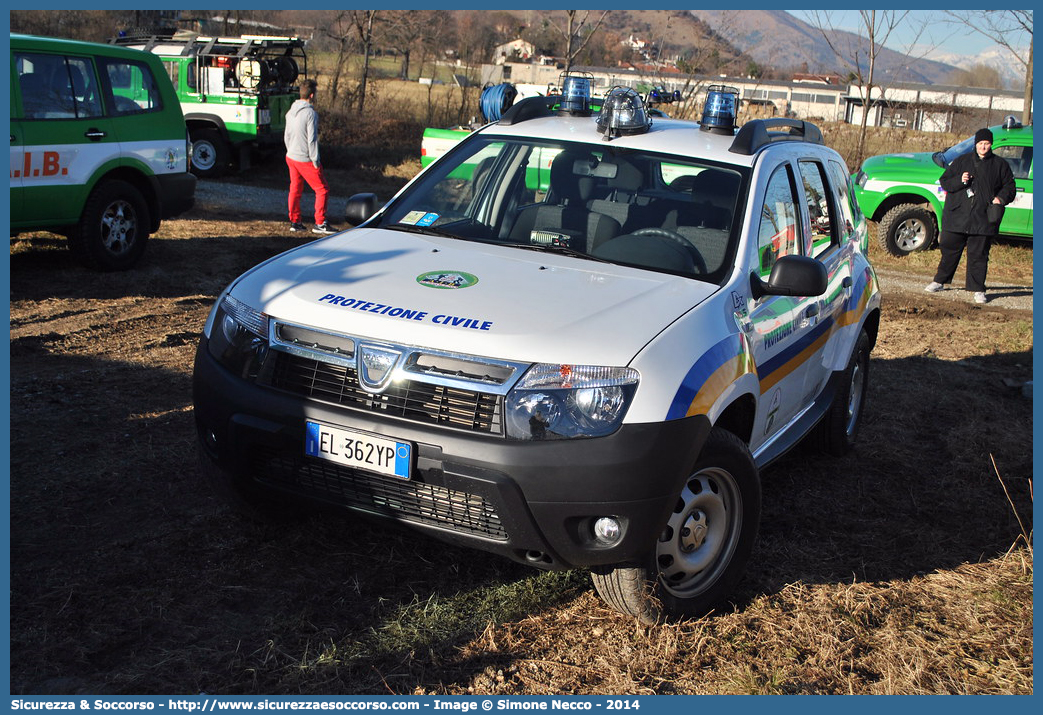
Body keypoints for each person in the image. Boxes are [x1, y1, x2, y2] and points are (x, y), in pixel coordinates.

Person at [925, 127, 1015, 304]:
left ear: (991, 145)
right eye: (981, 143)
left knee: (979, 255)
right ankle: (939, 281)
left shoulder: (1000, 165)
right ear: (975, 144)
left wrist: (1000, 198)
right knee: (949, 252)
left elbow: (1010, 187)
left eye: (987, 144)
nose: (984, 147)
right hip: (957, 216)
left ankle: (978, 290)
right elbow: (945, 182)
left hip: (983, 218)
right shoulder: (961, 161)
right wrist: (960, 180)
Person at [284, 79, 336, 235]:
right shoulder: (310, 114)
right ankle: (320, 223)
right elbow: (312, 139)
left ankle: (295, 221)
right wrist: (316, 160)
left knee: (295, 188)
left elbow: (286, 135)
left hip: (291, 155)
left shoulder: (290, 112)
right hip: (304, 157)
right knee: (322, 189)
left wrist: (289, 150)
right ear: (312, 95)